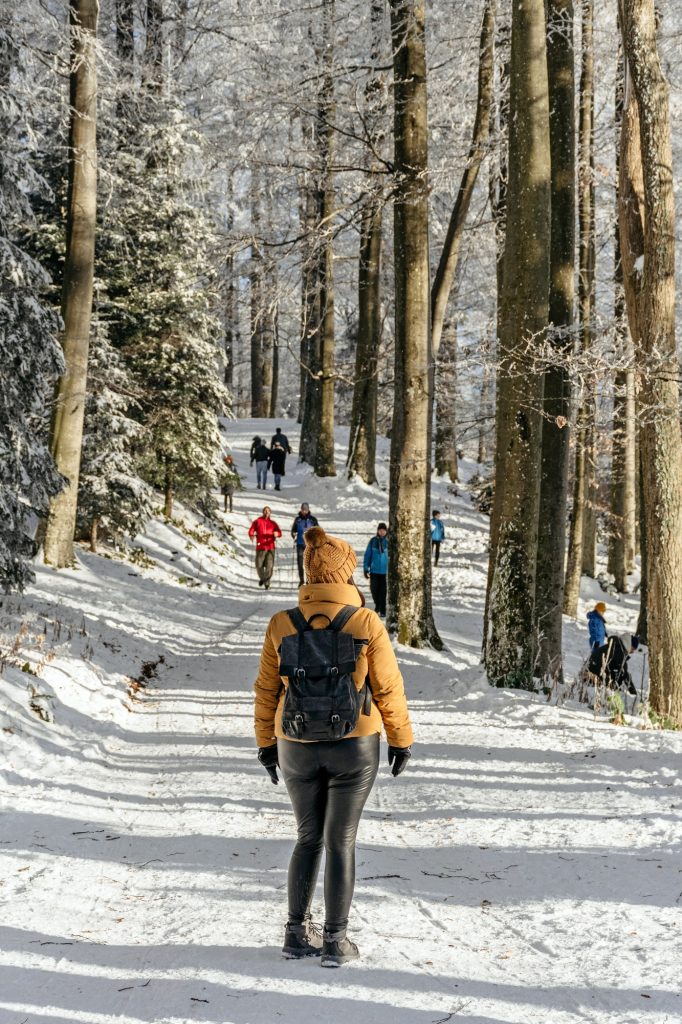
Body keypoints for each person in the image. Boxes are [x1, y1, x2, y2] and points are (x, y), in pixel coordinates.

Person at [253, 525, 413, 966]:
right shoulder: (364, 622)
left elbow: (266, 690)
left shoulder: (282, 623)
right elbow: (388, 688)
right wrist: (401, 739)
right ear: (345, 575)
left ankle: (294, 933)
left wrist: (266, 743)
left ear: (309, 573)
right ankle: (335, 941)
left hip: (295, 742)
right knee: (340, 840)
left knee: (307, 838)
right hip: (354, 743)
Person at [248, 506, 282, 589]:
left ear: (270, 512)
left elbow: (279, 533)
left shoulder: (273, 523)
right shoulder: (258, 521)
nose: (267, 512)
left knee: (269, 566)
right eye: (265, 511)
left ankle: (267, 583)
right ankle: (263, 579)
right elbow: (251, 530)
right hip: (260, 546)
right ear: (263, 512)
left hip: (270, 547)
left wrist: (277, 534)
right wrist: (251, 535)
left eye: (268, 511)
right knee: (259, 565)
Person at [363, 522, 388, 617]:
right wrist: (366, 568)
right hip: (374, 571)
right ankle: (377, 605)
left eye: (383, 530)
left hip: (385, 572)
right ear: (378, 531)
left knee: (383, 591)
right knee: (374, 590)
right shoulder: (373, 541)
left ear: (386, 531)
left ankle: (383, 610)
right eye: (380, 530)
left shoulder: (389, 541)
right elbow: (367, 555)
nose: (382, 532)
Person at [291, 503, 319, 586]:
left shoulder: (313, 520)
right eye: (303, 509)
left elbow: (318, 531)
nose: (304, 511)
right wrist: (294, 535)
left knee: (310, 564)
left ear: (308, 510)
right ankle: (301, 580)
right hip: (300, 544)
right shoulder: (298, 519)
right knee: (300, 563)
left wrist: (316, 539)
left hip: (310, 545)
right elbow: (293, 530)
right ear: (301, 509)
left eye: (305, 510)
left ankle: (309, 580)